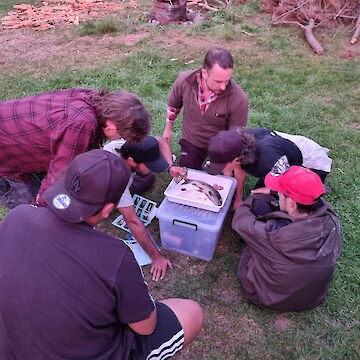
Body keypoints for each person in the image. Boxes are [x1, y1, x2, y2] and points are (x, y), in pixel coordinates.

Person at [0, 149, 203, 359]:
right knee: (191, 312)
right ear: (107, 210)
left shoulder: (17, 216)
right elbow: (146, 327)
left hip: (12, 347)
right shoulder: (115, 255)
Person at [0, 87, 151, 208]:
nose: (120, 139)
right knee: (35, 216)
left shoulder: (92, 100)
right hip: (6, 157)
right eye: (122, 135)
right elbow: (59, 173)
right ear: (112, 125)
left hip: (21, 139)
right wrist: (40, 209)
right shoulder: (82, 124)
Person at [232, 166, 342, 312]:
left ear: (291, 202)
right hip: (312, 297)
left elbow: (240, 221)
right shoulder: (332, 221)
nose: (278, 194)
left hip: (266, 296)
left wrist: (253, 198)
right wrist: (274, 194)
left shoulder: (272, 233)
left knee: (253, 242)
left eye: (280, 193)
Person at [104, 135, 187, 281]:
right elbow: (132, 221)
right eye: (149, 164)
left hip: (125, 175)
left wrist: (169, 167)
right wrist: (156, 257)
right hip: (104, 190)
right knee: (114, 202)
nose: (153, 168)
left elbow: (159, 140)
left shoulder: (128, 146)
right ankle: (114, 203)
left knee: (148, 177)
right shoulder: (117, 178)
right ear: (131, 161)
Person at [162, 47, 248, 169]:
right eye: (218, 81)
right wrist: (168, 129)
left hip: (219, 149)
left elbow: (235, 135)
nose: (223, 87)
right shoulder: (184, 81)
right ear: (204, 74)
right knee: (187, 177)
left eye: (227, 81)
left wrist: (227, 159)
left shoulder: (239, 99)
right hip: (190, 142)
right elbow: (174, 106)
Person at [203, 127, 332, 208]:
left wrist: (267, 191)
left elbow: (286, 186)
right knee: (258, 193)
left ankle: (317, 189)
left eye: (221, 165)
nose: (220, 169)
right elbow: (239, 168)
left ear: (237, 159)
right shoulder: (237, 143)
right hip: (282, 152)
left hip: (312, 162)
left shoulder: (268, 160)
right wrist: (238, 198)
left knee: (282, 202)